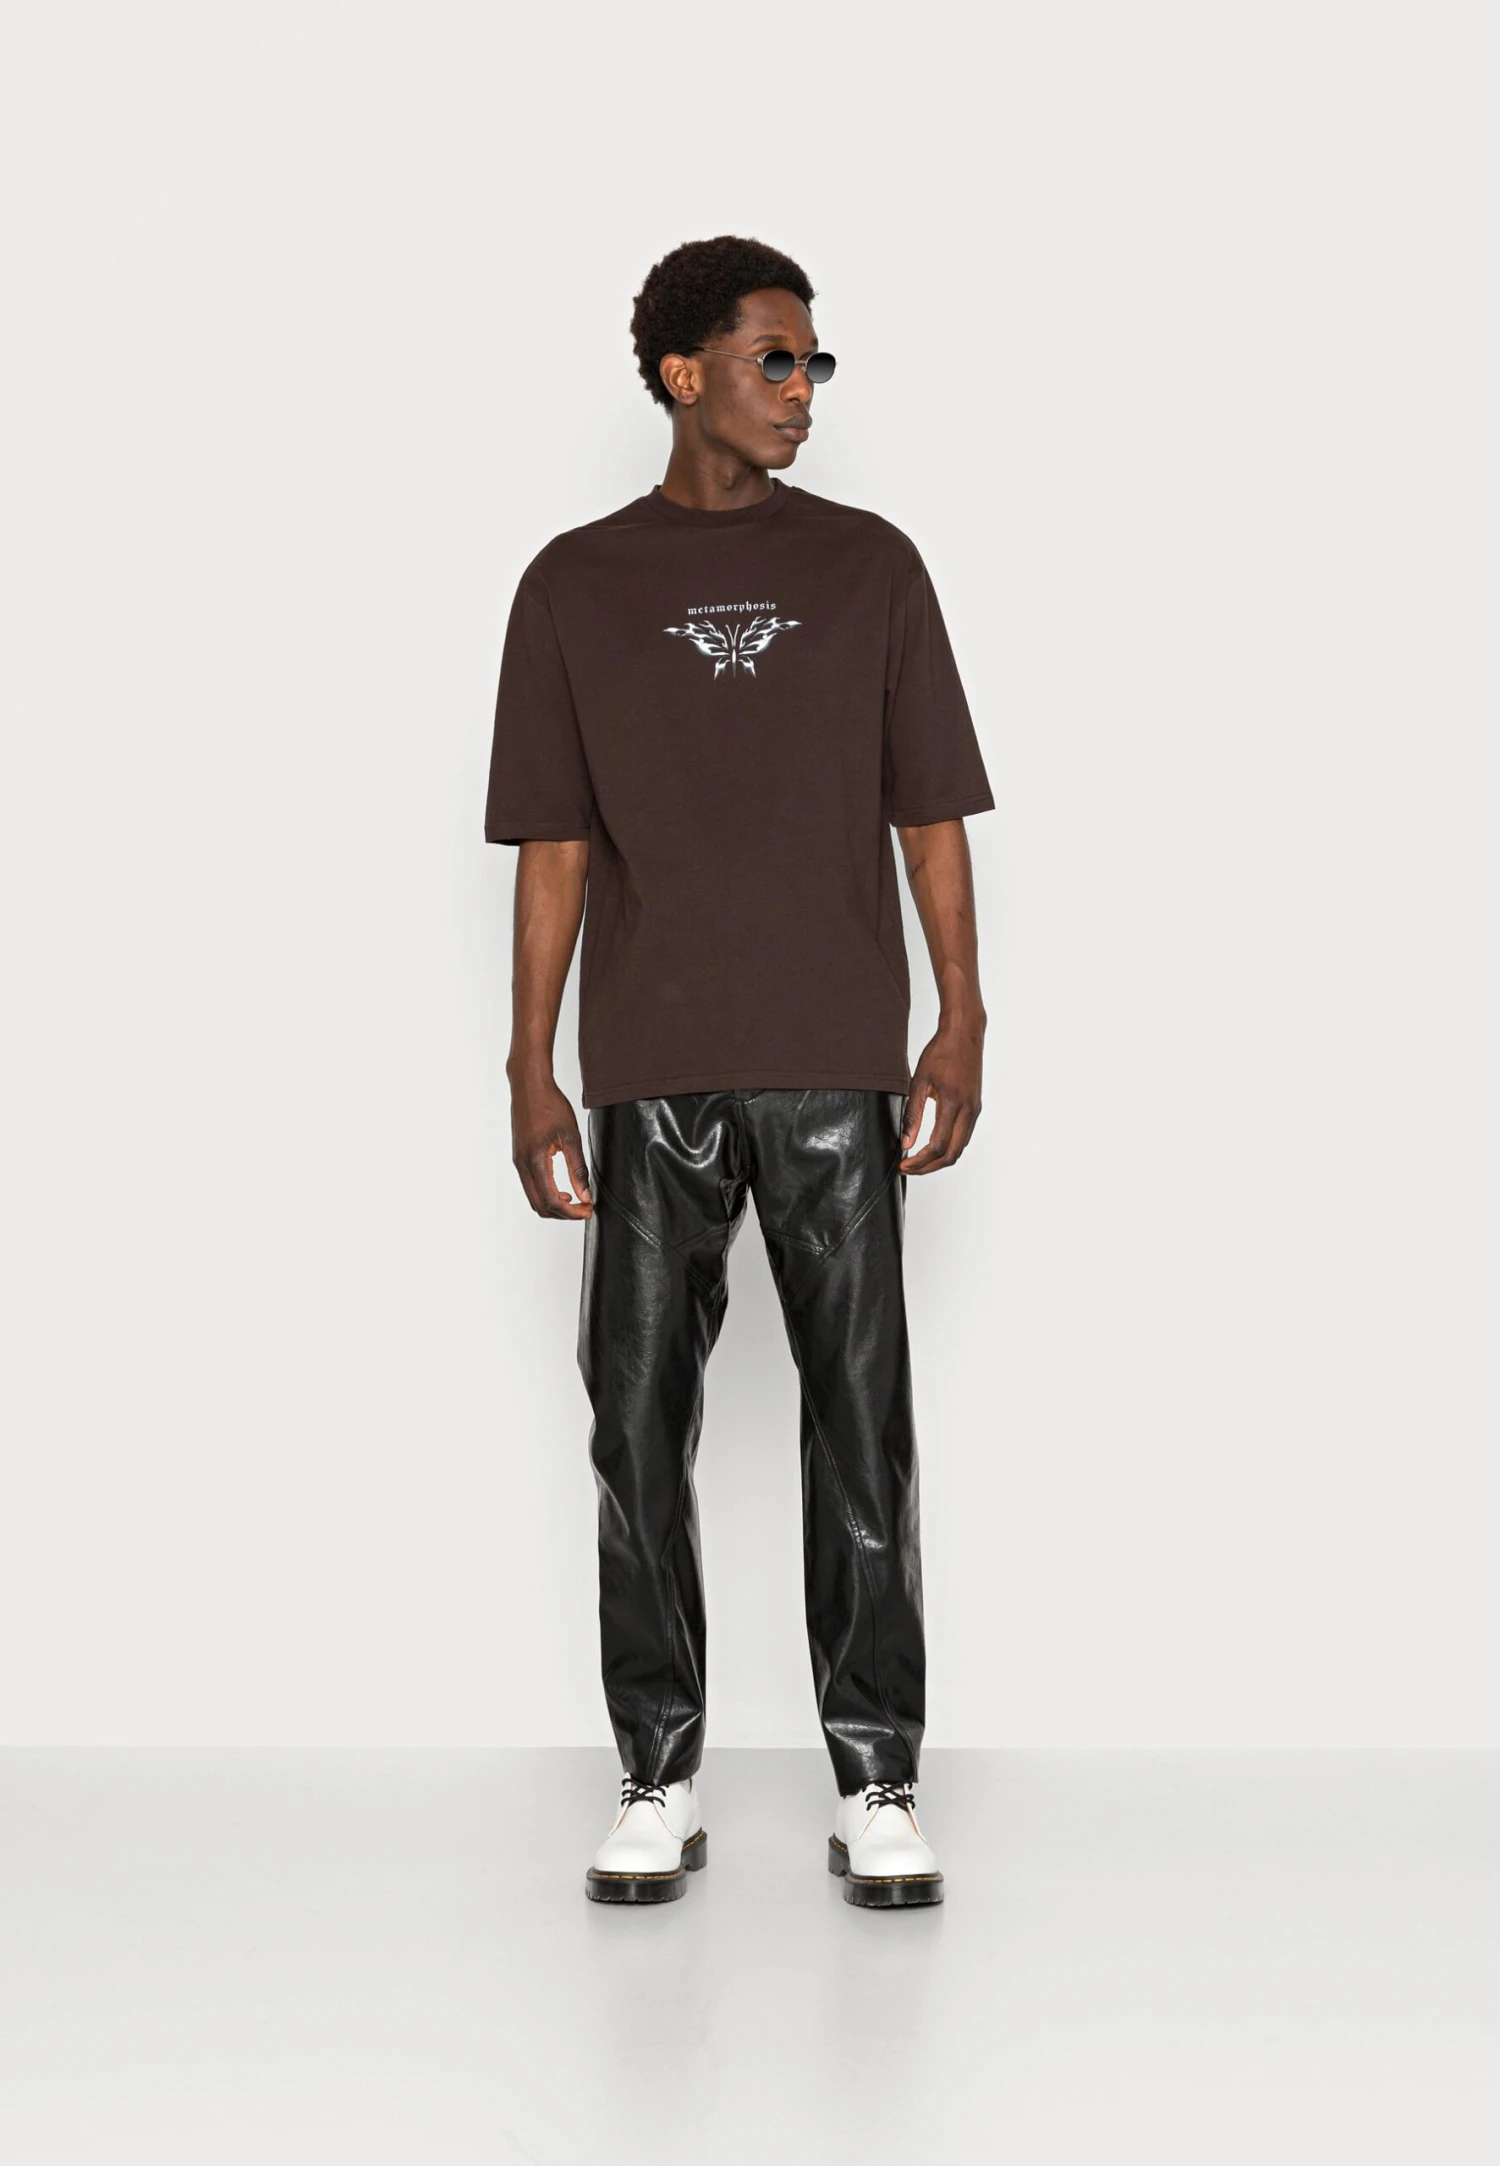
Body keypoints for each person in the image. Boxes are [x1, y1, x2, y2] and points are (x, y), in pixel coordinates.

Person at [484, 235, 994, 1909]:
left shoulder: (871, 567)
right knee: (635, 1423)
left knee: (862, 1423)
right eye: (776, 360)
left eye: (814, 363)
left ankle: (878, 1777)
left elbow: (929, 815)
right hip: (652, 1067)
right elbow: (554, 849)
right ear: (681, 371)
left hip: (835, 1055)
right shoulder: (573, 585)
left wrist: (961, 1014)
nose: (803, 391)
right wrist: (530, 1067)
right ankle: (658, 1771)